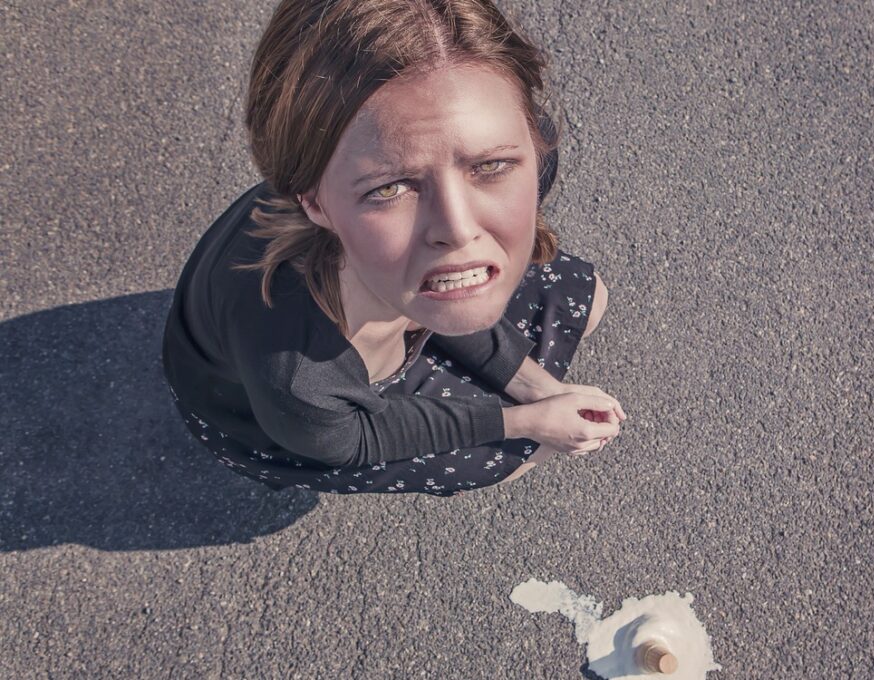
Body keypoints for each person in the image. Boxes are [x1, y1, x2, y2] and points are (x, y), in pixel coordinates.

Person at [161, 0, 626, 496]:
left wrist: (539, 388)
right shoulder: (297, 374)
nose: (458, 230)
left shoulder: (511, 168)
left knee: (588, 298)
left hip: (379, 308)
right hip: (277, 418)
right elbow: (359, 437)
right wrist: (526, 421)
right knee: (515, 454)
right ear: (312, 201)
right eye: (390, 188)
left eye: (489, 166)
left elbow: (444, 284)